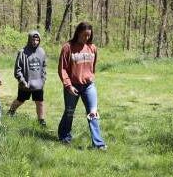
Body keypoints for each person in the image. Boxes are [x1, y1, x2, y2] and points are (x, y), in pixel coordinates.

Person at [57, 22, 107, 150]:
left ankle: (98, 144)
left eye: (89, 36)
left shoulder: (93, 48)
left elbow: (93, 67)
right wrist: (68, 85)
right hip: (72, 86)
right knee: (69, 112)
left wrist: (90, 77)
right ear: (78, 32)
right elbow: (62, 69)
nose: (86, 38)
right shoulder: (68, 47)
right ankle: (64, 136)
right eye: (84, 35)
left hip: (88, 86)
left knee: (93, 113)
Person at [7, 30, 47, 126]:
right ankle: (11, 111)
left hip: (38, 84)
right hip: (25, 83)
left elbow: (44, 67)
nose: (35, 42)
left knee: (40, 102)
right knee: (20, 100)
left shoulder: (41, 52)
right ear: (29, 39)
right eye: (33, 39)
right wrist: (22, 81)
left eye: (37, 40)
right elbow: (17, 69)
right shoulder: (22, 52)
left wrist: (43, 79)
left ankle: (41, 120)